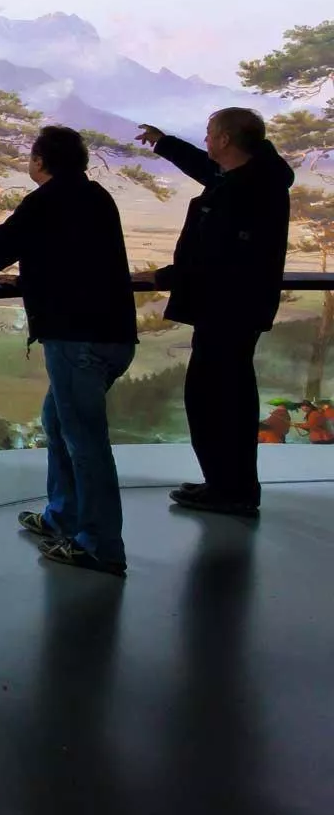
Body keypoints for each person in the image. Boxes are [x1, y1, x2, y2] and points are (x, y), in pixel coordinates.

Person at [0, 124, 138, 575]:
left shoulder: (45, 202)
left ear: (39, 163)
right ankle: (64, 517)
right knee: (59, 423)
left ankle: (100, 545)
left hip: (77, 341)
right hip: (114, 335)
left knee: (85, 442)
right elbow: (81, 263)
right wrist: (33, 279)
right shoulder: (97, 198)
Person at [138, 109, 294, 517]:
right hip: (233, 309)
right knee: (228, 399)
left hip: (227, 309)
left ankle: (229, 490)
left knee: (213, 400)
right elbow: (207, 168)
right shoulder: (254, 178)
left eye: (210, 134)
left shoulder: (246, 190)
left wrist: (166, 276)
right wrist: (164, 142)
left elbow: (219, 255)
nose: (206, 140)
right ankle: (230, 484)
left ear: (225, 140)